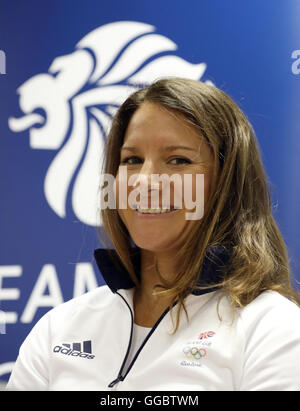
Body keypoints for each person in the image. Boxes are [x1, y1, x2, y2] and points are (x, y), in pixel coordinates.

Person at [6, 77, 300, 391]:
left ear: (228, 184)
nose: (145, 181)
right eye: (132, 160)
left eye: (178, 160)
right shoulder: (58, 329)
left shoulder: (273, 329)